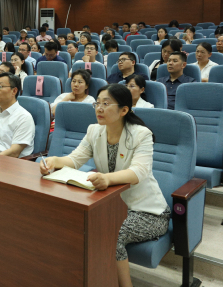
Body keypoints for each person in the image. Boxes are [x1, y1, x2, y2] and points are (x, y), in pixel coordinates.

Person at [40, 84, 170, 287]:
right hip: (112, 206)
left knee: (112, 235)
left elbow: (139, 172)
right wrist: (54, 161)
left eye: (106, 104)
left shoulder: (141, 134)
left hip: (147, 211)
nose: (99, 108)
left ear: (124, 110)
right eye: (97, 103)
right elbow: (75, 159)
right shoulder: (94, 130)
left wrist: (107, 179)